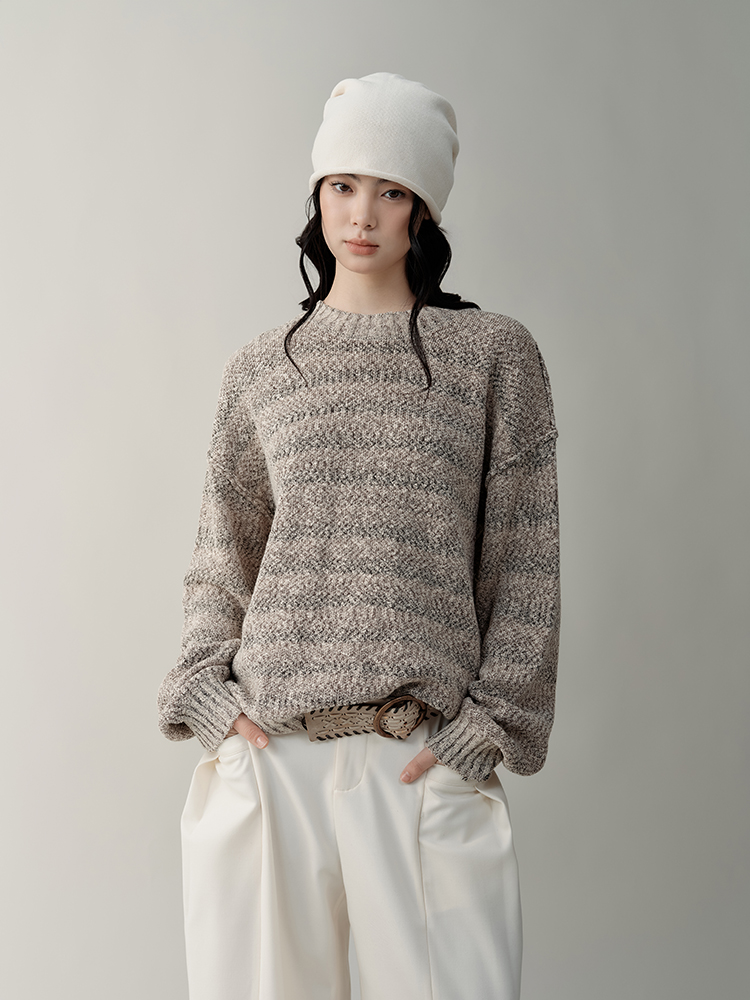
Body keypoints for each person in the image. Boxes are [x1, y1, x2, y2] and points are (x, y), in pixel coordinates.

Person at [157, 71, 561, 1000]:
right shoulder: (263, 369)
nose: (363, 214)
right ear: (318, 194)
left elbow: (525, 563)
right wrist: (211, 702)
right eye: (342, 184)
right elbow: (222, 559)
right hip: (271, 761)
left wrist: (486, 729)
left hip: (420, 758)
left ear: (425, 210)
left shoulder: (493, 357)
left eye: (392, 190)